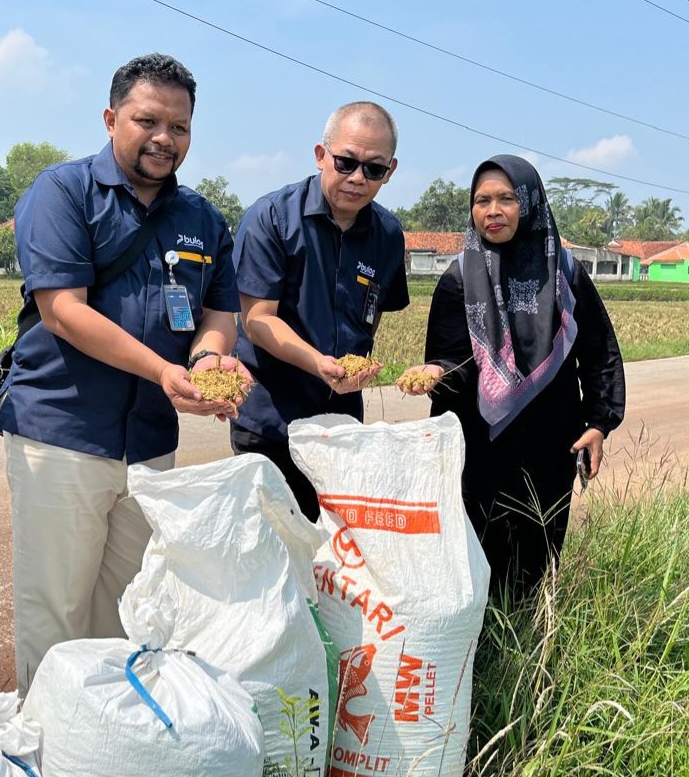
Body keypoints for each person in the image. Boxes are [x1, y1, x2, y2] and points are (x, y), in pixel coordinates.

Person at [0, 54, 248, 692]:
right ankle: (45, 759)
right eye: (147, 120)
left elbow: (219, 309)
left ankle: (103, 763)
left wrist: (210, 357)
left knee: (124, 613)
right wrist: (166, 369)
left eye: (180, 127)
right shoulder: (64, 191)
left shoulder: (202, 218)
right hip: (61, 432)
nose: (165, 138)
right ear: (111, 119)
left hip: (149, 443)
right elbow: (63, 311)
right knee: (56, 612)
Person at [398, 155, 625, 600]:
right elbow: (453, 362)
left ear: (530, 202)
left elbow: (599, 352)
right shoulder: (459, 278)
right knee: (475, 558)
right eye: (482, 200)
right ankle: (479, 655)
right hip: (479, 445)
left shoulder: (564, 274)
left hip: (550, 441)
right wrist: (435, 371)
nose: (492, 210)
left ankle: (532, 649)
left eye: (506, 198)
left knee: (538, 555)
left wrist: (599, 423)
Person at [230, 102, 409, 520]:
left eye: (373, 169)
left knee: (332, 555)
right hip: (271, 421)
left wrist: (358, 364)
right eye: (345, 162)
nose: (357, 178)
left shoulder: (387, 234)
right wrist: (318, 364)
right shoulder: (272, 218)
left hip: (340, 427)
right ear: (320, 155)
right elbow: (257, 320)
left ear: (391, 170)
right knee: (272, 551)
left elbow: (374, 311)